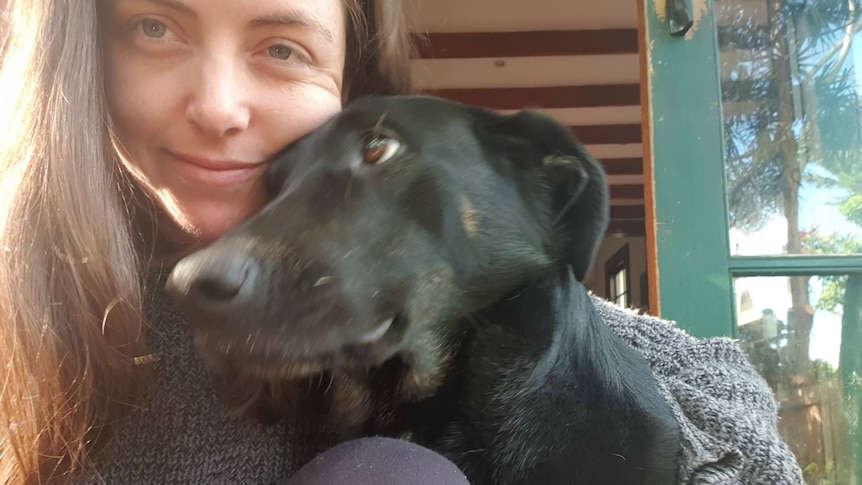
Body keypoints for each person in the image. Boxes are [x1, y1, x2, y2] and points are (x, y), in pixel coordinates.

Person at [0, 1, 803, 484]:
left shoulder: (607, 343)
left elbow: (713, 392)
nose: (217, 107)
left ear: (347, 79)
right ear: (80, 55)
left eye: (282, 46)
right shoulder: (29, 342)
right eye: (153, 26)